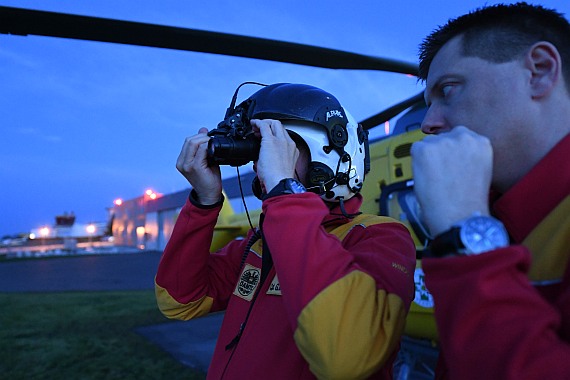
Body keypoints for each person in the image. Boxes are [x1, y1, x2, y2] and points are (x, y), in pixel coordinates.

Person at [155, 83, 416, 379]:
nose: (261, 166)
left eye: (280, 151)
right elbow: (178, 300)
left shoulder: (378, 238)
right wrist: (204, 202)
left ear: (330, 155)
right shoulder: (259, 247)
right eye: (262, 154)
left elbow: (345, 356)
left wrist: (284, 189)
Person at [411, 2, 570, 379]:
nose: (428, 124)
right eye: (427, 104)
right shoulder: (512, 217)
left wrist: (463, 233)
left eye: (449, 90)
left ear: (540, 71)